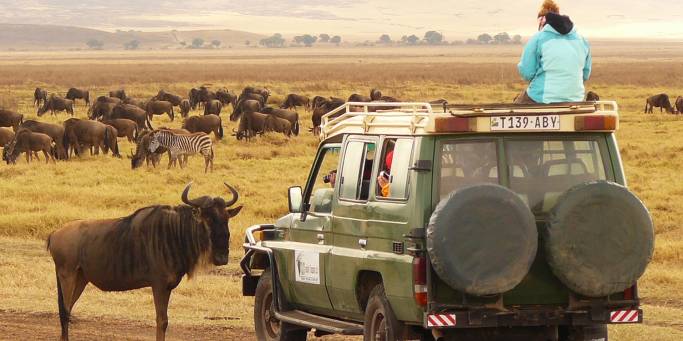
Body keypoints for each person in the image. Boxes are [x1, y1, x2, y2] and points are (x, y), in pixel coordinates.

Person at [515, 0, 592, 104]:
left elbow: (527, 72)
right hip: (576, 98)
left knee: (515, 109)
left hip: (541, 98)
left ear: (542, 21)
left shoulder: (538, 38)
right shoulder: (582, 40)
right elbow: (585, 74)